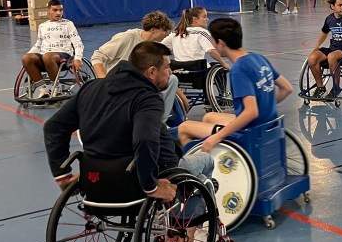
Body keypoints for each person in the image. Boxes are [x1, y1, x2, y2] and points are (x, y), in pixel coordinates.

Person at [44, 41, 215, 205]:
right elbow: (145, 139)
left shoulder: (91, 88)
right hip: (142, 178)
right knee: (206, 162)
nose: (171, 72)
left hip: (94, 179)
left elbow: (53, 127)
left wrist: (62, 175)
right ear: (152, 72)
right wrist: (151, 186)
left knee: (194, 178)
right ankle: (190, 223)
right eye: (167, 67)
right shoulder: (146, 99)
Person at [177, 18, 292, 152]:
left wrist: (216, 137)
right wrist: (264, 106)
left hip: (249, 132)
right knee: (208, 117)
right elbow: (287, 88)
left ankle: (202, 162)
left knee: (183, 128)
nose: (213, 44)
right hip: (268, 124)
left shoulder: (239, 70)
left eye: (213, 41)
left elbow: (251, 112)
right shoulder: (258, 58)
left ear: (221, 43)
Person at [90, 10, 182, 115]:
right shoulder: (127, 37)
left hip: (138, 85)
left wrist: (180, 95)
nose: (167, 34)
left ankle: (159, 117)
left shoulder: (154, 46)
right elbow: (97, 56)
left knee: (172, 80)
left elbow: (162, 74)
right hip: (118, 84)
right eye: (164, 30)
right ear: (153, 30)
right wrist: (104, 81)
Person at [22, 0, 85, 98]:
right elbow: (38, 44)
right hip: (45, 57)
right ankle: (43, 90)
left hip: (64, 56)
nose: (58, 13)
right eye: (55, 10)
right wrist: (28, 56)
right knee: (27, 58)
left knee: (48, 56)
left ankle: (56, 88)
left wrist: (78, 58)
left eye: (60, 10)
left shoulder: (68, 24)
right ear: (48, 11)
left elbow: (78, 43)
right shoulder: (42, 26)